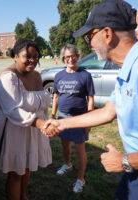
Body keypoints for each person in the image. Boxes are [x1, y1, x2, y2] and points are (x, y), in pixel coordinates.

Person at [44, 0, 138, 199]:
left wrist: (125, 161)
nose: (88, 44)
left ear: (107, 34)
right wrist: (61, 123)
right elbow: (108, 111)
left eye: (89, 36)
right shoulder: (130, 68)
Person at [0, 38, 54, 200]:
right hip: (14, 129)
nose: (33, 60)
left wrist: (41, 117)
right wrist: (41, 123)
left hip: (33, 128)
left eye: (36, 56)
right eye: (27, 56)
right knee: (16, 171)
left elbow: (42, 101)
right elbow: (14, 111)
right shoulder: (8, 77)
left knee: (26, 166)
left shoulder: (36, 75)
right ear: (15, 56)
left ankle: (23, 196)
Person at [51, 44, 94, 193]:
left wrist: (89, 120)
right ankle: (68, 164)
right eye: (67, 57)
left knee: (80, 149)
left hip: (80, 118)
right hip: (62, 117)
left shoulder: (85, 75)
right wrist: (52, 115)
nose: (71, 59)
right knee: (64, 144)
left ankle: (80, 179)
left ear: (77, 56)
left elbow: (90, 98)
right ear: (63, 59)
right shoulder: (59, 76)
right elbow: (56, 96)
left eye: (73, 55)